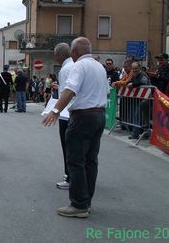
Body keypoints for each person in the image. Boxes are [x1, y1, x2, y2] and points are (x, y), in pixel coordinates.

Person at [43, 37, 108, 218]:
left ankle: (78, 205)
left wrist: (55, 111)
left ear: (73, 52)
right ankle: (86, 201)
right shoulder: (99, 66)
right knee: (90, 160)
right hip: (99, 115)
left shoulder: (79, 66)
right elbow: (106, 91)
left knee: (76, 160)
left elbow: (69, 90)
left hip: (83, 116)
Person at [53, 43, 74, 190]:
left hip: (67, 114)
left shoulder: (65, 69)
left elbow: (65, 94)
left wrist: (55, 111)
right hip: (79, 112)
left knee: (68, 147)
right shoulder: (76, 65)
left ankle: (69, 176)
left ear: (58, 56)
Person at [126, 62, 151, 140]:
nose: (134, 70)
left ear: (139, 68)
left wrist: (132, 85)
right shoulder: (134, 75)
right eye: (133, 69)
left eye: (136, 68)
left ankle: (137, 133)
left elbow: (143, 83)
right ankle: (144, 132)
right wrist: (130, 83)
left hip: (146, 100)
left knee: (140, 115)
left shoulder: (143, 75)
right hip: (138, 99)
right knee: (141, 116)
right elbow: (130, 82)